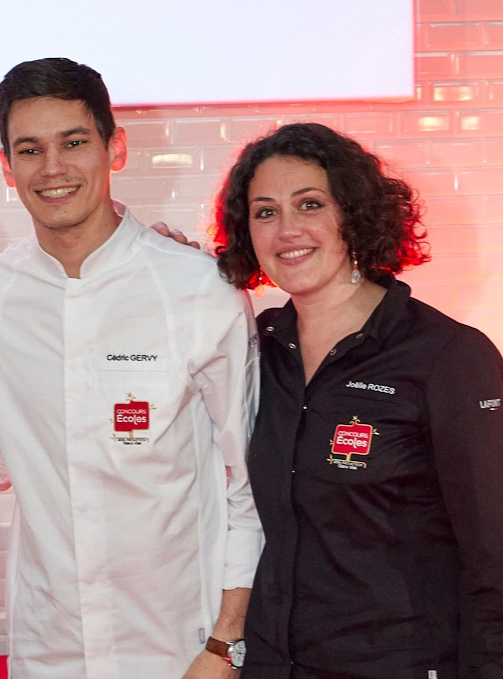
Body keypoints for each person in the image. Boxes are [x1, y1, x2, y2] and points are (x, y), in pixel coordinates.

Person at [0, 58, 262, 678]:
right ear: (7, 167)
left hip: (181, 644)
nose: (54, 168)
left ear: (114, 148)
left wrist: (226, 644)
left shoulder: (196, 288)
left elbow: (246, 482)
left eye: (73, 142)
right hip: (49, 645)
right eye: (30, 150)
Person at [213, 122, 503, 678]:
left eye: (310, 204)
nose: (287, 230)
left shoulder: (446, 357)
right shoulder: (257, 351)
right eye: (265, 211)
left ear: (354, 214)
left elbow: (493, 555)